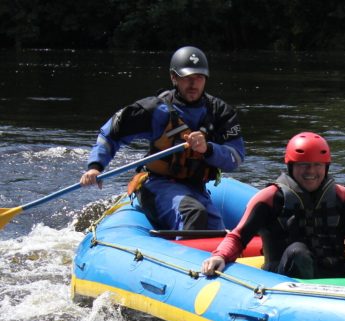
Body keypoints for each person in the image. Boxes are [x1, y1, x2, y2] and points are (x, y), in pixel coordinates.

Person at [80, 46, 245, 232]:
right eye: (186, 77)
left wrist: (208, 149)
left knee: (216, 231)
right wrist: (95, 167)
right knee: (193, 214)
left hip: (196, 188)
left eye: (198, 77)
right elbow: (111, 132)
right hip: (158, 185)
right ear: (174, 77)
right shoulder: (154, 110)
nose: (193, 84)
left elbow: (236, 157)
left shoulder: (220, 112)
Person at [201, 132, 345, 279]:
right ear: (291, 166)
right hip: (284, 279)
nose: (311, 171)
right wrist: (220, 256)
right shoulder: (270, 197)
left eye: (317, 165)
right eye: (303, 165)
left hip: (336, 275)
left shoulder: (342, 195)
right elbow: (238, 237)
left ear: (326, 167)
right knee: (298, 251)